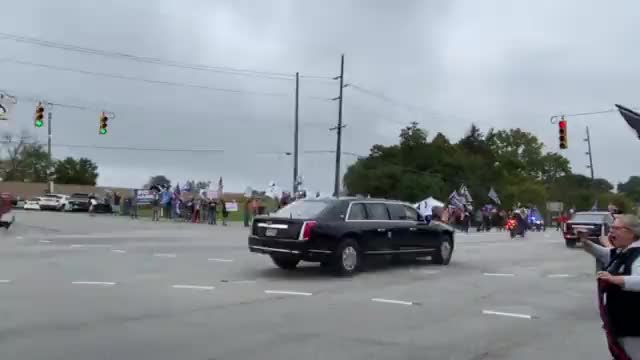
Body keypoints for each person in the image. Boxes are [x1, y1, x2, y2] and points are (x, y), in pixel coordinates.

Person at [581, 214, 640, 359]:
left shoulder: (637, 254)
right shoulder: (622, 251)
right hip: (619, 324)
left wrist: (615, 279)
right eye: (611, 228)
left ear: (631, 232)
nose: (611, 232)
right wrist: (585, 242)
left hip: (634, 326)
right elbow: (603, 254)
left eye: (616, 228)